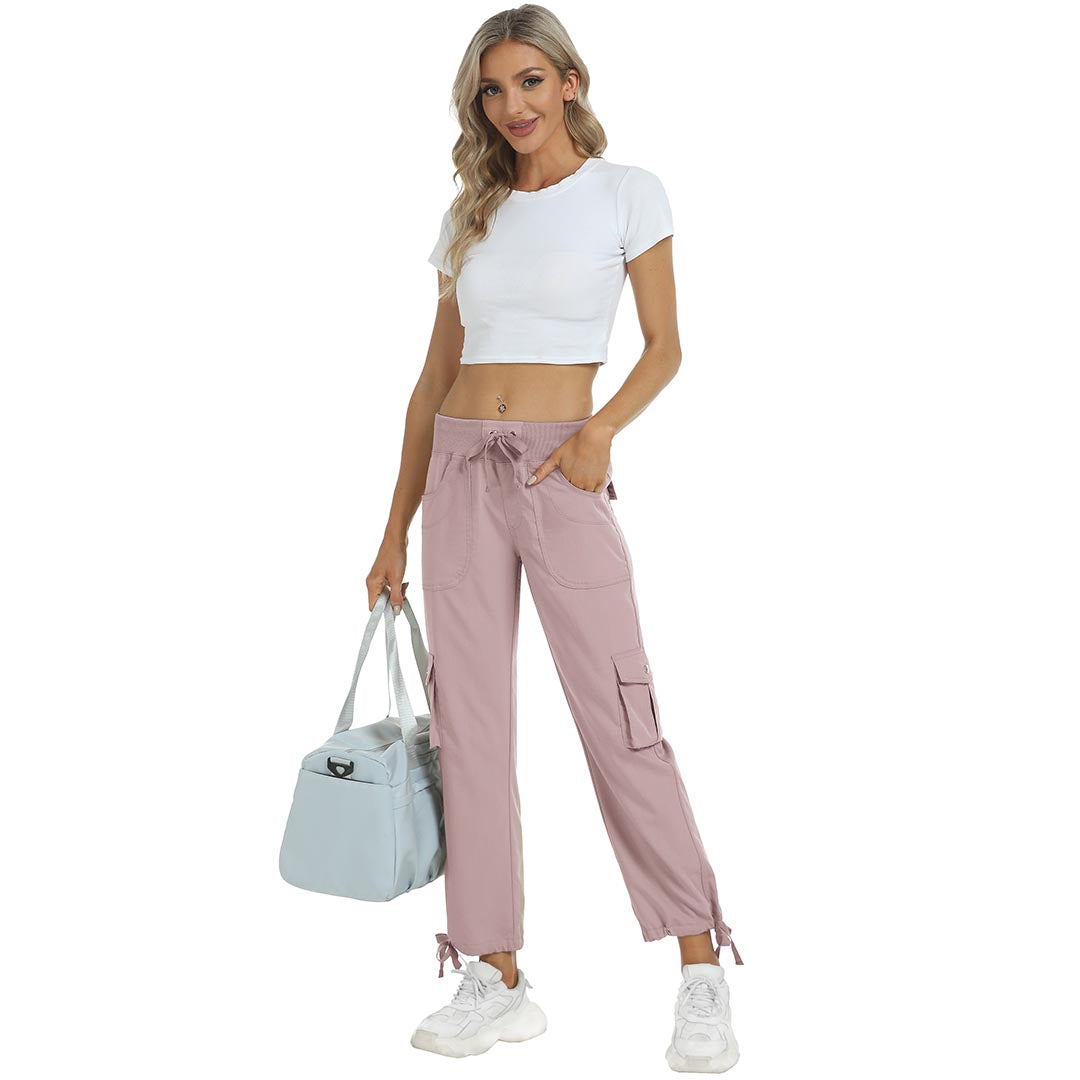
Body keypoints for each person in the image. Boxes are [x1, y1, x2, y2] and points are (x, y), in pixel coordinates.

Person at [366, 6, 743, 1071]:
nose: (512, 105)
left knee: (621, 718)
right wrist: (392, 527)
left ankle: (700, 966)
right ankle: (495, 973)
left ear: (571, 81)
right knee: (469, 731)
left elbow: (666, 347)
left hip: (560, 467)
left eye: (530, 81)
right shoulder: (471, 211)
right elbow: (431, 381)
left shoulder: (628, 192)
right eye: (493, 90)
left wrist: (599, 434)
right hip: (459, 472)